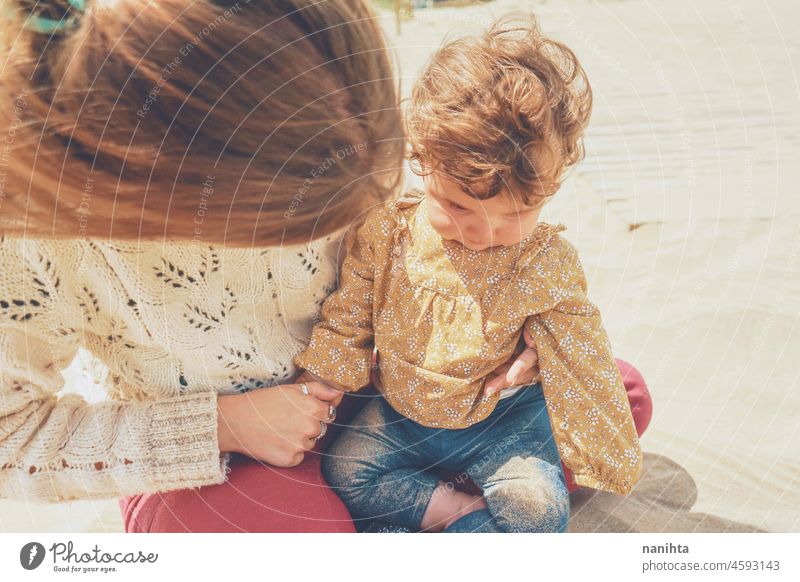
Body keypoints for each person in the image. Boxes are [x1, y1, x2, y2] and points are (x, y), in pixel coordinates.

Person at [0, 0, 548, 532]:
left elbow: (409, 248)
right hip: (223, 464)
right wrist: (221, 425)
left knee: (615, 395)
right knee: (282, 535)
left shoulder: (318, 98)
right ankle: (378, 501)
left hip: (370, 397)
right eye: (310, 223)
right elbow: (10, 441)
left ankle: (382, 497)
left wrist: (503, 322)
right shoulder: (38, 239)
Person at [293, 13, 645, 533]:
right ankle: (457, 514)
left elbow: (581, 348)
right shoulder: (387, 233)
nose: (483, 233)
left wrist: (602, 448)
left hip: (502, 423)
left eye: (516, 214)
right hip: (400, 415)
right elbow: (348, 315)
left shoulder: (543, 260)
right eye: (457, 207)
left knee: (540, 509)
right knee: (345, 471)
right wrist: (321, 382)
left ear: (551, 188)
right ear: (421, 161)